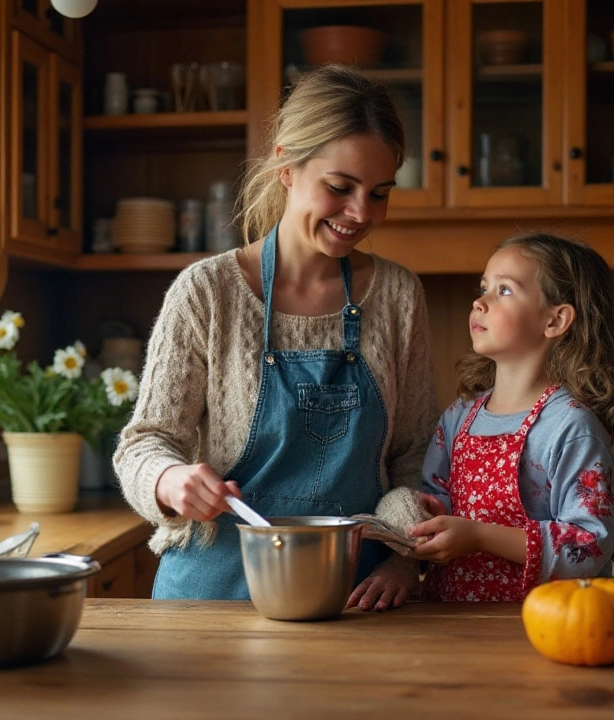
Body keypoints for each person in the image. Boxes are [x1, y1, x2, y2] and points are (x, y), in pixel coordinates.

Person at [113, 65, 437, 610]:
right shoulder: (207, 293)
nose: (361, 213)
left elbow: (417, 462)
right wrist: (170, 480)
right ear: (286, 166)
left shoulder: (398, 297)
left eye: (379, 193)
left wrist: (406, 563)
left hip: (354, 598)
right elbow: (142, 443)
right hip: (211, 595)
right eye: (340, 188)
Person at [410, 232, 614, 602]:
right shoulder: (458, 417)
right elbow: (441, 496)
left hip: (541, 631)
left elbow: (590, 546)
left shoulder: (569, 426)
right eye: (483, 287)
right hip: (448, 626)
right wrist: (434, 512)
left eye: (505, 290)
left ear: (555, 320)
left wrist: (478, 536)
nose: (479, 302)